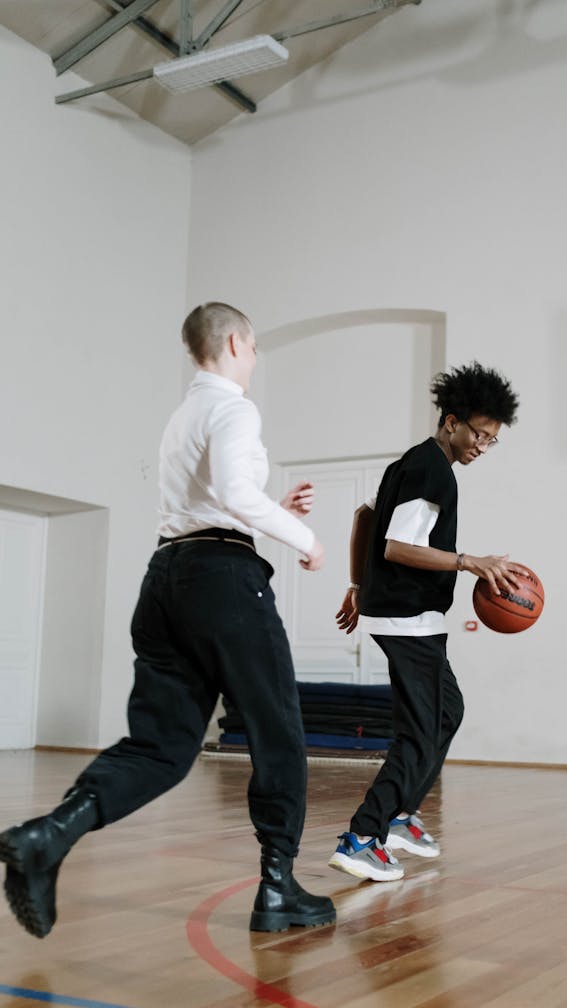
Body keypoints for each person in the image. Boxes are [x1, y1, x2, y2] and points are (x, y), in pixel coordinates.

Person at [0, 302, 335, 936]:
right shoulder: (236, 408)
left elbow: (213, 502)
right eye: (256, 346)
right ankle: (277, 888)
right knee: (278, 730)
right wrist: (303, 538)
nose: (257, 357)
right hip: (223, 581)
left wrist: (271, 507)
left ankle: (49, 834)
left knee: (161, 746)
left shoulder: (184, 415)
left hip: (165, 581)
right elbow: (232, 497)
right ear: (236, 342)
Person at [329, 361, 524, 882]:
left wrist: (356, 584)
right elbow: (396, 545)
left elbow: (364, 518)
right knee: (419, 734)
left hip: (408, 616)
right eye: (478, 434)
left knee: (447, 712)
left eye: (492, 440)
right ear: (451, 421)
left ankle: (400, 816)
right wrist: (468, 561)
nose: (482, 446)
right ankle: (364, 835)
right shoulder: (433, 470)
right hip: (408, 618)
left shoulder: (411, 463)